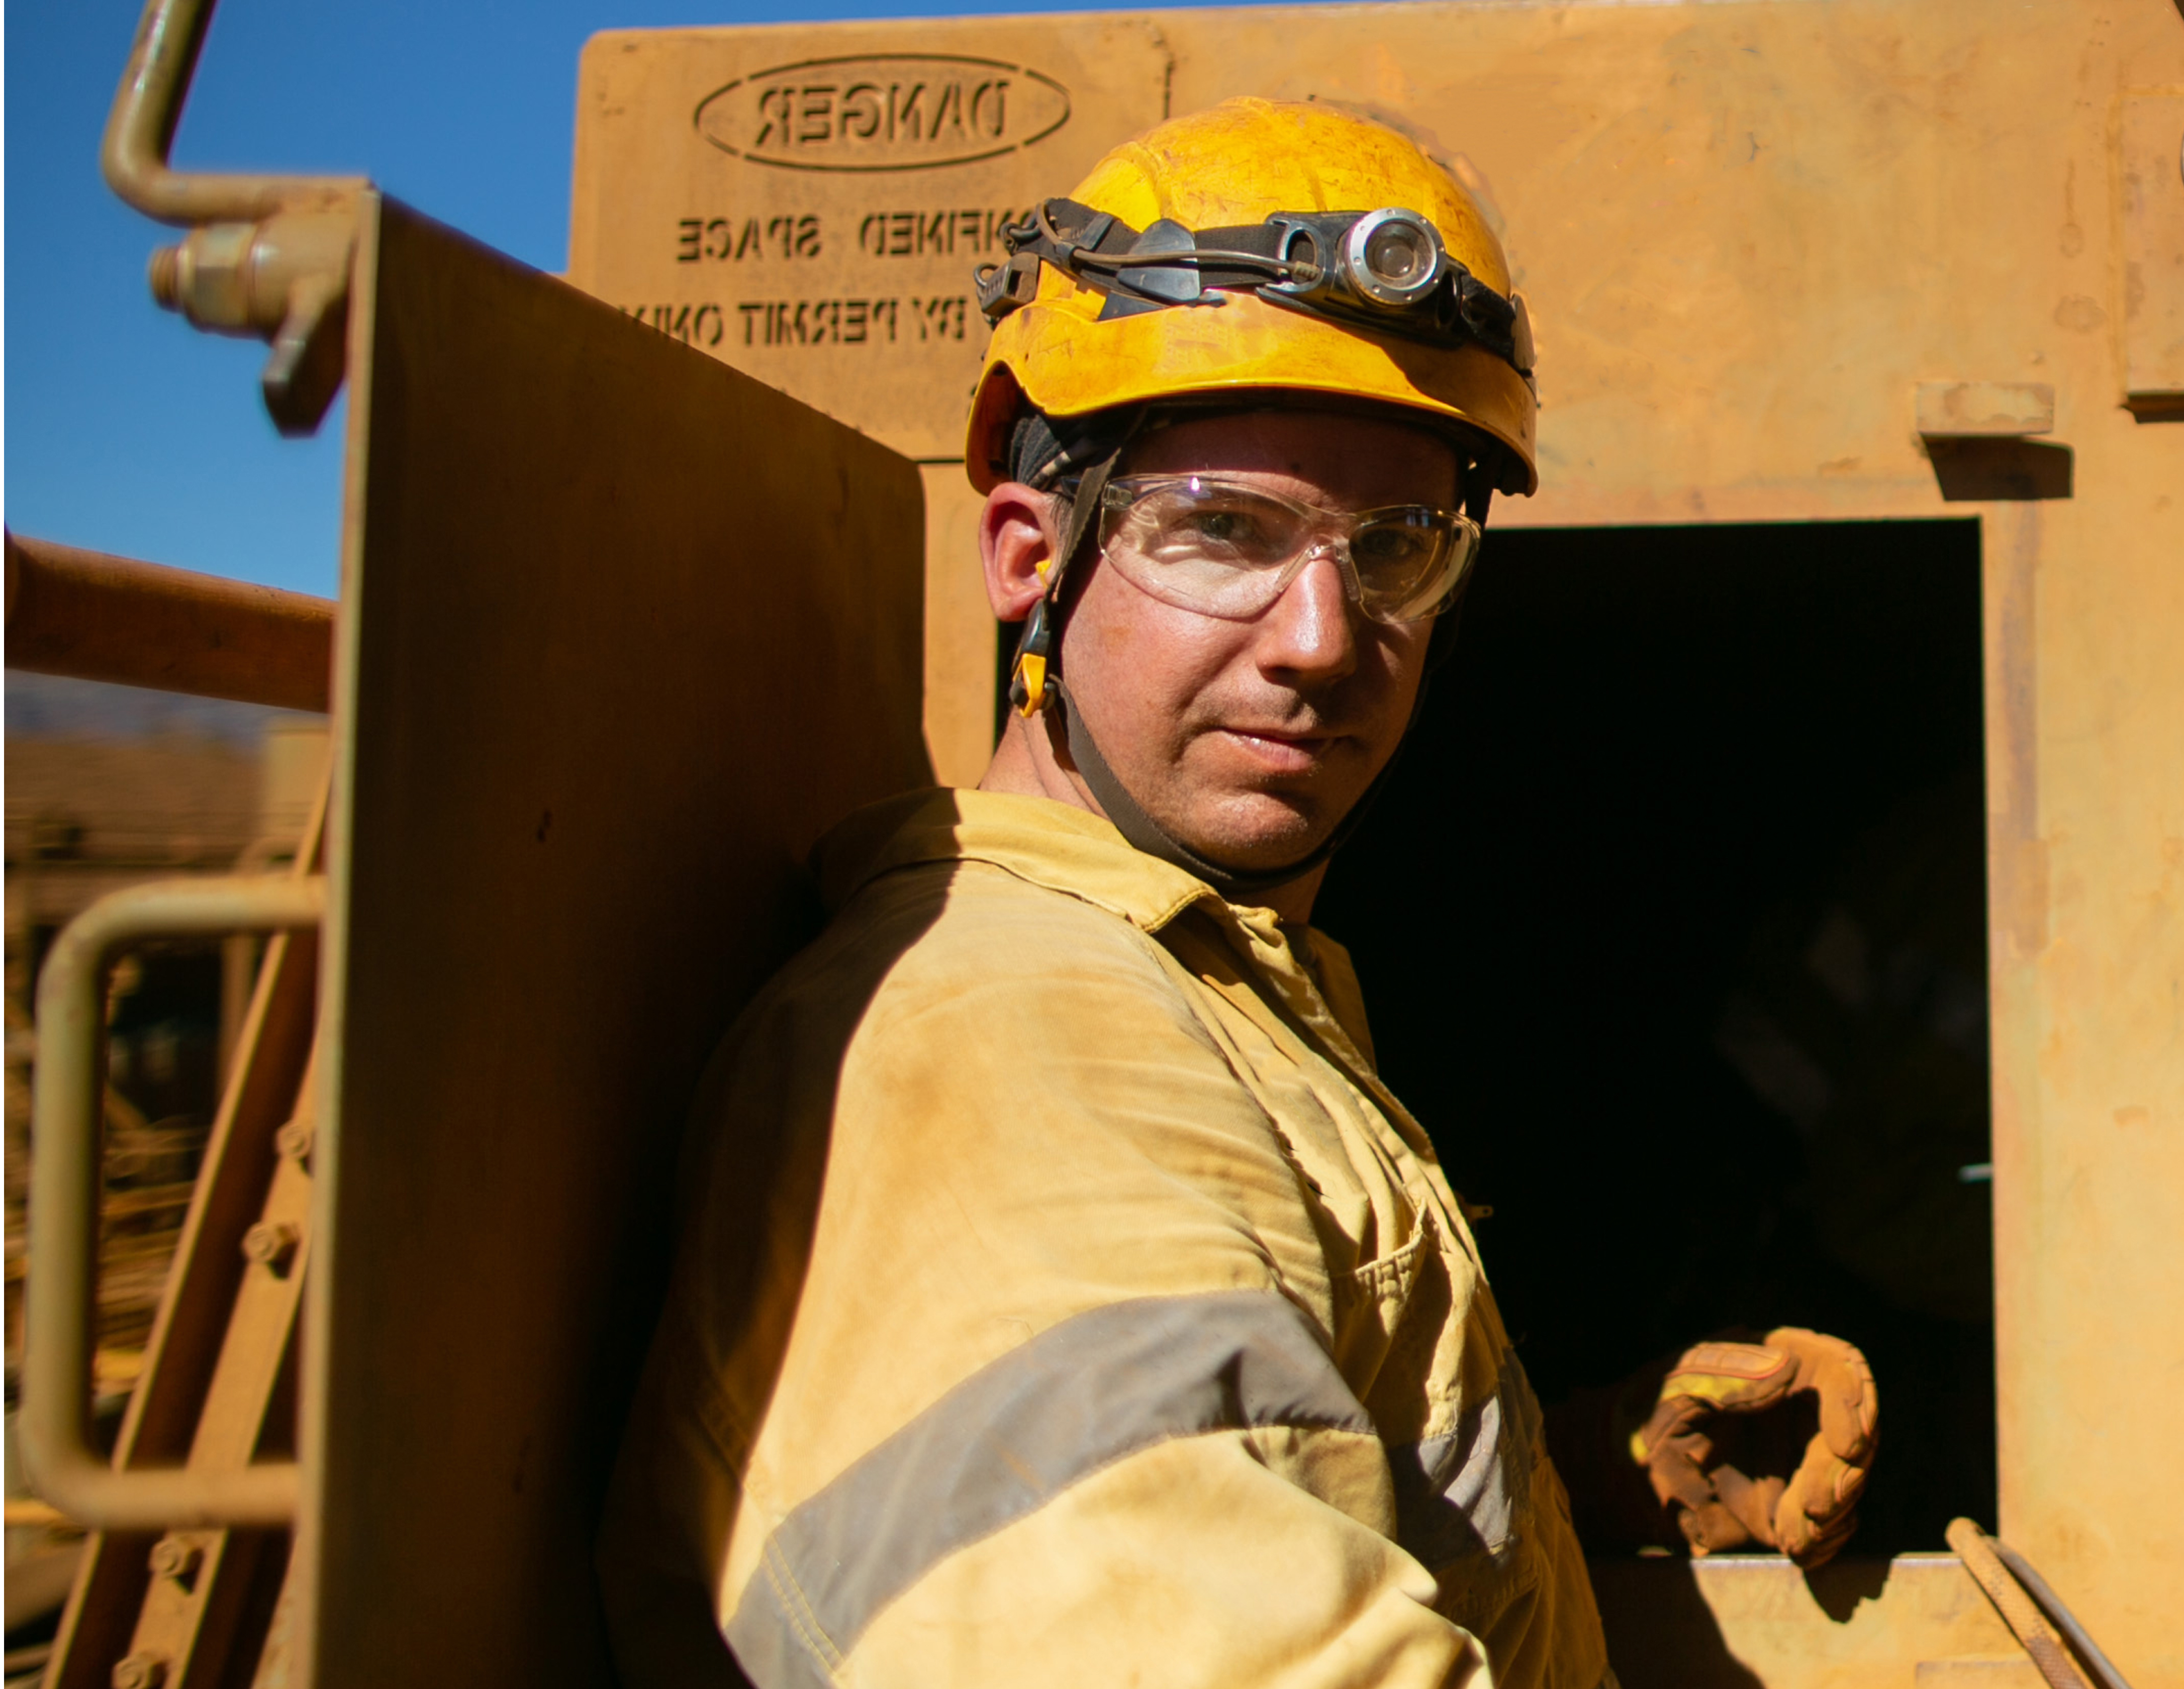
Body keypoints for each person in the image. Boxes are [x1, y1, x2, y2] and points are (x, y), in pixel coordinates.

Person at [602, 99, 1874, 1688]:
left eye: (1397, 546)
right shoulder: (1002, 1046)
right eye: (1221, 532)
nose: (1323, 637)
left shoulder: (1199, 979)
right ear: (1026, 555)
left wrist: (1556, 1481)